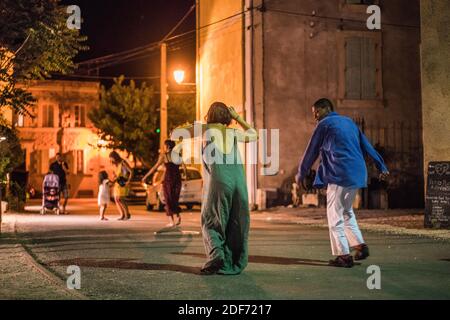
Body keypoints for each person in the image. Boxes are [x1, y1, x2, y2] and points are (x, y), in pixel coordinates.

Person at [296, 98, 389, 268]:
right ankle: (360, 245)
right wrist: (381, 165)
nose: (315, 115)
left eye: (317, 111)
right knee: (346, 211)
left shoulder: (324, 124)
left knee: (334, 215)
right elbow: (366, 145)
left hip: (340, 173)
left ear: (326, 108)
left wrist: (301, 174)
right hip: (357, 173)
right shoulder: (349, 122)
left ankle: (343, 256)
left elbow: (311, 150)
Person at [172, 102, 258, 275]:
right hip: (239, 183)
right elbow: (254, 135)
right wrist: (238, 118)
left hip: (219, 181)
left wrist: (192, 126)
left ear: (210, 115)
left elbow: (175, 133)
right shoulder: (233, 132)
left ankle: (216, 255)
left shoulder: (205, 129)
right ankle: (233, 262)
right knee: (236, 222)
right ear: (227, 116)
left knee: (211, 220)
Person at [142, 140, 187, 227]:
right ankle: (177, 216)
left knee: (168, 198)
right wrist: (185, 175)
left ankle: (172, 221)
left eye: (164, 146)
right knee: (174, 198)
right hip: (177, 178)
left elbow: (155, 167)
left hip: (168, 179)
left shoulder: (164, 156)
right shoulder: (178, 155)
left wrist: (145, 176)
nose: (163, 147)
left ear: (168, 147)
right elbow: (184, 167)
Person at [109, 151, 133, 220]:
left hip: (123, 183)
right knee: (116, 199)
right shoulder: (116, 164)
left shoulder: (123, 163)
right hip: (117, 184)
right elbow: (117, 175)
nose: (111, 160)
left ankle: (127, 214)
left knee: (120, 198)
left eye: (111, 158)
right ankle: (122, 215)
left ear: (115, 157)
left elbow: (131, 171)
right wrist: (114, 177)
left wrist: (129, 180)